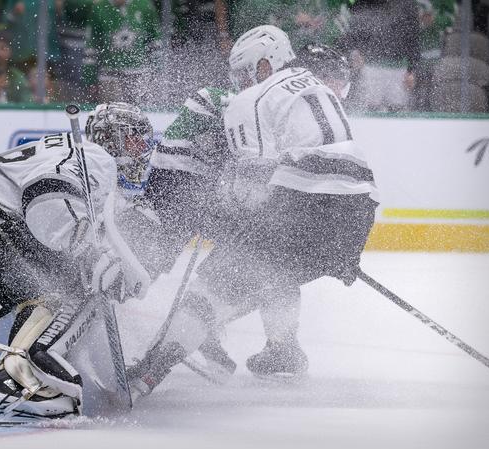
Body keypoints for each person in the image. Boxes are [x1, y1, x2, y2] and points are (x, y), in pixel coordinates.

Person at [128, 25, 378, 396]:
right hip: (358, 211)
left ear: (265, 65)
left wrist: (222, 210)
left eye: (245, 71)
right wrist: (336, 247)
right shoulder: (318, 85)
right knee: (272, 266)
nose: (241, 81)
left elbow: (256, 182)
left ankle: (143, 377)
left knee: (210, 287)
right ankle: (283, 350)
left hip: (303, 202)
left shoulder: (250, 100)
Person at [0, 102, 154, 424]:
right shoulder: (98, 159)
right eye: (136, 140)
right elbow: (44, 195)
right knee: (60, 290)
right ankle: (22, 385)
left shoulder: (80, 155)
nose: (143, 150)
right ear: (113, 138)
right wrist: (94, 257)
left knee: (57, 286)